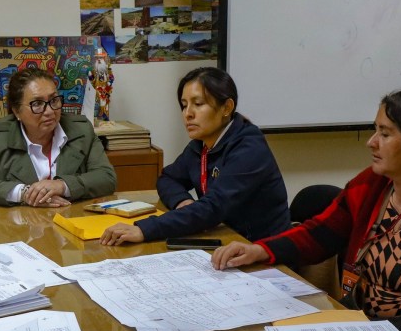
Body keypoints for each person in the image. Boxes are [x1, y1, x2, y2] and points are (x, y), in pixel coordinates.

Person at [212, 89, 401, 331]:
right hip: (357, 327)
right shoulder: (374, 182)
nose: (371, 141)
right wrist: (258, 249)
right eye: (375, 129)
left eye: (385, 134)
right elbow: (318, 234)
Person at [100, 67, 290, 245]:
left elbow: (213, 208)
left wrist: (145, 229)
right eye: (184, 105)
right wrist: (183, 201)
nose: (187, 114)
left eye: (198, 104)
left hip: (264, 254)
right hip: (225, 243)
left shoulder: (249, 147)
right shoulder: (201, 145)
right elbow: (168, 178)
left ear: (226, 108)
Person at [0, 67, 116, 207]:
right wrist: (24, 193)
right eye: (37, 104)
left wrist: (63, 185)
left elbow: (106, 178)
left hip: (72, 220)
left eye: (54, 100)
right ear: (17, 111)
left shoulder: (81, 130)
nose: (49, 111)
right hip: (18, 228)